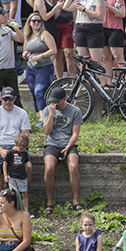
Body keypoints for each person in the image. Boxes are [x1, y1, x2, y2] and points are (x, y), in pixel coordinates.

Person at [42, 86, 83, 214]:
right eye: (51, 101)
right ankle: (49, 201)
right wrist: (52, 114)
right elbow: (46, 131)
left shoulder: (75, 111)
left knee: (73, 166)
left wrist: (67, 148)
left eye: (56, 102)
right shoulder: (47, 110)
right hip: (52, 144)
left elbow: (75, 134)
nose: (53, 104)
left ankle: (76, 201)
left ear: (64, 99)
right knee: (49, 169)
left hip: (69, 144)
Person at [0, 86, 31, 197]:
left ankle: (21, 195)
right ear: (1, 99)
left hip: (17, 145)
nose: (7, 101)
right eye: (5, 99)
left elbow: (25, 135)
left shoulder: (22, 113)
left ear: (14, 98)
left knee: (28, 167)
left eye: (10, 99)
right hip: (0, 145)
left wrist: (17, 149)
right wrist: (1, 150)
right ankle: (0, 200)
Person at [64, 0, 106, 79]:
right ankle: (88, 85)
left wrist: (84, 10)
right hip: (80, 28)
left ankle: (104, 84)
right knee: (83, 60)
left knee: (96, 61)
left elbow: (99, 15)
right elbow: (66, 7)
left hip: (94, 29)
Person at [21, 11, 57, 114]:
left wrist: (39, 56)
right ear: (29, 23)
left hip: (44, 67)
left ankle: (43, 118)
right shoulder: (28, 35)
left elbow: (53, 50)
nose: (36, 23)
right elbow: (25, 51)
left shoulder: (44, 34)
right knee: (33, 93)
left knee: (39, 92)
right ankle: (38, 116)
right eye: (34, 21)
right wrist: (25, 55)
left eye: (39, 21)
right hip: (31, 68)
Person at [101, 0, 126, 84]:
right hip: (103, 28)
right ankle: (109, 82)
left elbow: (122, 13)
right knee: (105, 58)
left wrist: (108, 6)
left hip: (115, 28)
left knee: (118, 57)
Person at [3, 133, 32, 212]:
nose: (21, 150)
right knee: (13, 194)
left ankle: (26, 211)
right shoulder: (10, 153)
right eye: (20, 148)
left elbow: (27, 164)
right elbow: (5, 164)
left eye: (23, 149)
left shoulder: (25, 153)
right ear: (15, 144)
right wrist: (5, 175)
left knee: (24, 194)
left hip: (22, 177)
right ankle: (14, 210)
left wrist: (27, 172)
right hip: (12, 176)